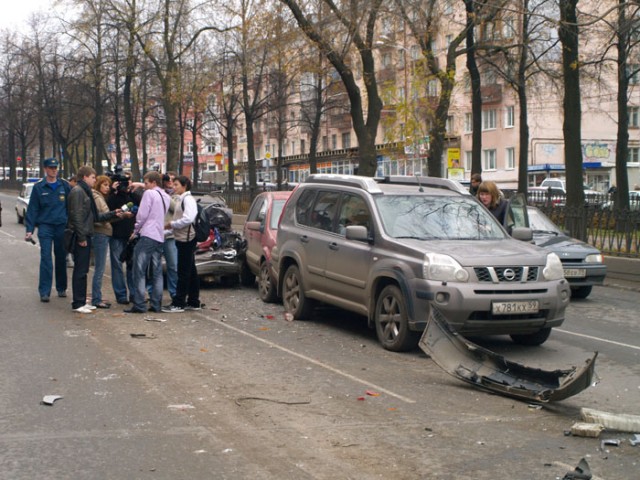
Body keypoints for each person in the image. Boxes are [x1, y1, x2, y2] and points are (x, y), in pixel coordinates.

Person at [67, 166, 121, 314]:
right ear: (84, 177)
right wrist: (81, 237)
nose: (95, 180)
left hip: (86, 234)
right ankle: (78, 303)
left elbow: (95, 217)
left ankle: (81, 300)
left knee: (84, 270)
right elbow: (76, 216)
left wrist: (113, 214)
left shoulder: (85, 192)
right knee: (80, 270)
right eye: (92, 177)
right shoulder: (78, 192)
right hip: (82, 236)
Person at [24, 157, 72, 302]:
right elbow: (33, 209)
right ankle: (44, 291)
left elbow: (70, 207)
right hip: (45, 226)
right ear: (45, 169)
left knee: (61, 257)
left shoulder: (64, 185)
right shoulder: (39, 187)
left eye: (55, 168)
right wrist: (29, 229)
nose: (53, 170)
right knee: (46, 258)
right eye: (51, 168)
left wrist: (72, 225)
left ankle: (61, 287)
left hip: (61, 227)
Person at [125, 171, 170, 314]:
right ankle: (156, 304)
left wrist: (135, 230)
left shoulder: (149, 194)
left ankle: (139, 304)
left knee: (139, 271)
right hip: (159, 236)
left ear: (153, 183)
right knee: (156, 271)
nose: (145, 186)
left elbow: (142, 215)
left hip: (147, 235)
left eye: (146, 183)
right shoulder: (165, 196)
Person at [163, 176, 201, 313]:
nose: (174, 187)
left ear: (184, 186)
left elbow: (188, 219)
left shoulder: (188, 200)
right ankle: (193, 301)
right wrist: (166, 232)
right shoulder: (180, 199)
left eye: (176, 184)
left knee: (183, 272)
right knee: (191, 271)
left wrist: (171, 225)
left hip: (187, 239)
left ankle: (179, 303)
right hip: (182, 238)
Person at [107, 175, 137, 305]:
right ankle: (121, 295)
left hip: (130, 235)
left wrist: (134, 189)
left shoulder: (132, 196)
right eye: (122, 184)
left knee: (132, 266)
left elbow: (141, 203)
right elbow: (106, 211)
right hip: (116, 234)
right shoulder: (112, 197)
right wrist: (112, 191)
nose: (125, 186)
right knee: (117, 266)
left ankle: (134, 294)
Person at [91, 175, 119, 309]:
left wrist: (118, 216)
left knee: (100, 267)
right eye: (105, 185)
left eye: (108, 185)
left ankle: (97, 296)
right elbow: (99, 218)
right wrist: (114, 214)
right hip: (100, 233)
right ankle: (96, 298)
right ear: (98, 185)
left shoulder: (101, 198)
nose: (107, 188)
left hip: (103, 232)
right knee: (100, 267)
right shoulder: (97, 198)